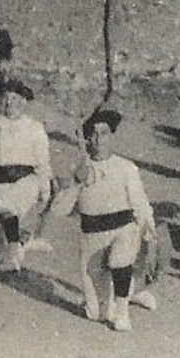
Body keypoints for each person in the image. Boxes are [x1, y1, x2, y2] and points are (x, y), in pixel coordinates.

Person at [51, 109, 159, 332]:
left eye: (105, 133)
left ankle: (123, 314)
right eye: (94, 134)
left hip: (124, 230)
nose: (99, 139)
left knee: (119, 261)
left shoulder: (126, 168)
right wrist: (76, 183)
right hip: (92, 237)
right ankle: (132, 292)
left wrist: (150, 235)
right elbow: (58, 211)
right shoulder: (78, 169)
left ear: (112, 137)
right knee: (96, 314)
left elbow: (141, 204)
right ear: (88, 139)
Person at [0, 78, 51, 273]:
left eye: (14, 99)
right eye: (6, 99)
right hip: (0, 183)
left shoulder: (34, 128)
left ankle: (16, 247)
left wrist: (44, 187)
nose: (9, 103)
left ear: (23, 101)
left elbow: (42, 161)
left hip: (26, 181)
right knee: (1, 245)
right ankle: (19, 245)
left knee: (7, 207)